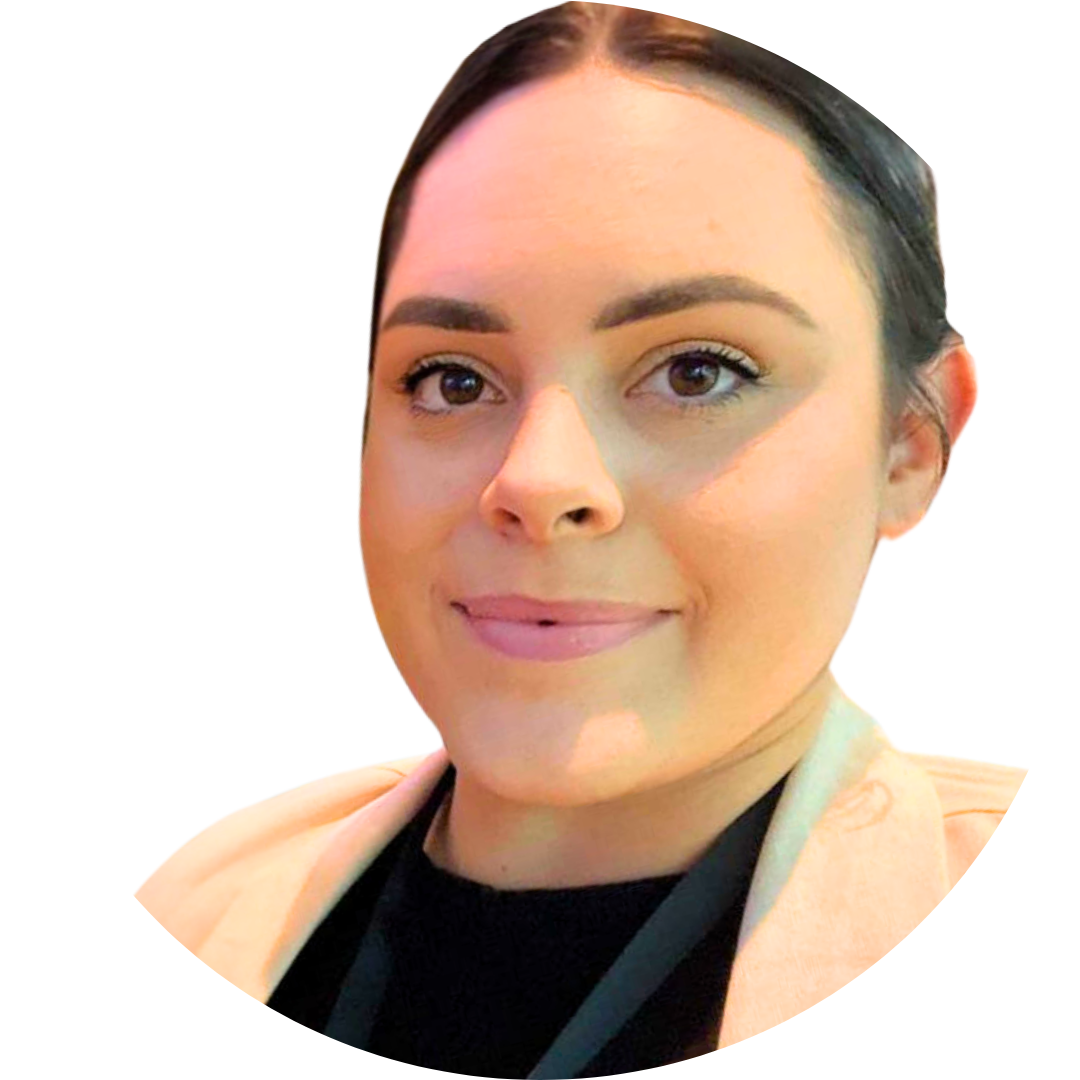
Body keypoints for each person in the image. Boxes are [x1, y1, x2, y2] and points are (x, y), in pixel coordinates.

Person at [136, 4, 1025, 1075]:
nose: (538, 480)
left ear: (912, 445)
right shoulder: (194, 913)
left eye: (698, 371)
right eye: (450, 379)